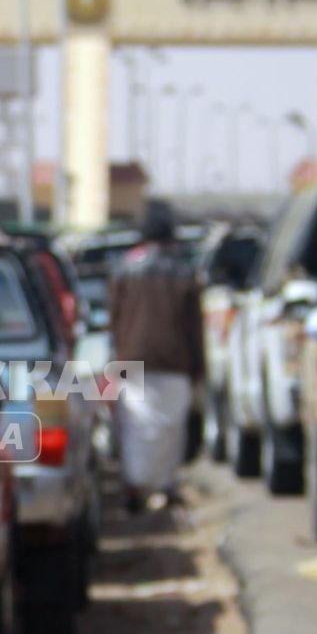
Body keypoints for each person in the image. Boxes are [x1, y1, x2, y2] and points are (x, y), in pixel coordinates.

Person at [108, 202, 206, 511]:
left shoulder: (124, 269)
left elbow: (114, 319)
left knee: (136, 427)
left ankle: (136, 484)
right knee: (169, 429)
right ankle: (164, 485)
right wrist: (199, 368)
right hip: (175, 361)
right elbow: (195, 327)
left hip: (132, 360)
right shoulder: (184, 271)